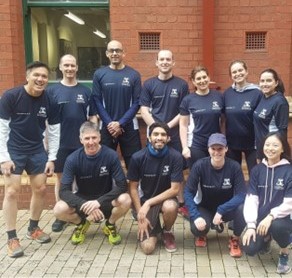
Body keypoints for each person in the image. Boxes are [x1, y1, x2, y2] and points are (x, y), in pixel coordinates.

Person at [0, 61, 60, 258]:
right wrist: (3, 158)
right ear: (27, 76)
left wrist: (51, 158)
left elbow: (53, 130)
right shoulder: (11, 96)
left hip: (36, 150)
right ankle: (11, 237)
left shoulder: (49, 100)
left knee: (41, 189)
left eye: (44, 76)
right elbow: (2, 128)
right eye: (37, 75)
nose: (41, 79)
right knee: (11, 192)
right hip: (14, 150)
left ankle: (33, 228)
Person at [53, 121, 131, 246]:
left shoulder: (111, 155)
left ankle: (110, 225)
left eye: (94, 137)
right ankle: (81, 224)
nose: (91, 142)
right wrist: (84, 204)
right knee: (58, 209)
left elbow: (122, 185)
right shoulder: (72, 159)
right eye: (87, 138)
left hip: (105, 201)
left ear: (99, 137)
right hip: (83, 202)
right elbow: (63, 191)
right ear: (81, 140)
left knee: (126, 199)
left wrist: (98, 202)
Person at [47, 54, 97, 232]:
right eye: (66, 65)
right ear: (60, 67)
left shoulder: (85, 91)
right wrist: (48, 145)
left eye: (72, 65)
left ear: (77, 68)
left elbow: (92, 117)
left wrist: (93, 136)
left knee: (81, 177)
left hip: (81, 144)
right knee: (61, 179)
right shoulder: (51, 91)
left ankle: (80, 210)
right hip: (60, 144)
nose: (69, 69)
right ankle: (60, 214)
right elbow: (47, 121)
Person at [139, 49, 189, 219]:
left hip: (174, 134)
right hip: (155, 136)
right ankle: (150, 200)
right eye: (162, 59)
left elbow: (183, 111)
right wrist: (157, 130)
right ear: (157, 62)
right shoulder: (149, 84)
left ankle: (181, 203)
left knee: (179, 168)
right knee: (152, 166)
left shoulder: (181, 85)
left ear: (173, 62)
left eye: (168, 59)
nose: (165, 62)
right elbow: (144, 110)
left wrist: (167, 127)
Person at [184, 133, 246, 258]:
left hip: (226, 209)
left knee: (243, 208)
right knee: (198, 228)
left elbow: (241, 194)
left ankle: (235, 239)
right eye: (213, 149)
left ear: (226, 149)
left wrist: (221, 210)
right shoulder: (199, 166)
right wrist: (196, 216)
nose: (217, 152)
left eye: (220, 149)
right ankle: (202, 234)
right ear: (208, 149)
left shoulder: (234, 167)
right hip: (205, 207)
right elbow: (188, 192)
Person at [127, 122, 184, 254]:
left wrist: (149, 203)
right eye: (156, 134)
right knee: (148, 249)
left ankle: (167, 231)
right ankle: (152, 226)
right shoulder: (137, 157)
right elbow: (133, 188)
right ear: (149, 137)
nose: (159, 137)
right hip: (144, 201)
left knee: (171, 206)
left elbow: (175, 189)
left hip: (165, 200)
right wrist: (140, 213)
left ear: (168, 138)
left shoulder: (175, 157)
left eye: (163, 135)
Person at [242, 132, 292, 275]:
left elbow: (290, 203)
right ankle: (266, 238)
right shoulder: (257, 170)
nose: (270, 148)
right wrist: (251, 225)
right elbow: (252, 198)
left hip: (283, 219)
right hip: (261, 219)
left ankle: (284, 252)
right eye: (267, 145)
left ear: (283, 149)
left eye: (275, 145)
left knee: (278, 226)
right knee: (249, 248)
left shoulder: (289, 171)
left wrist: (271, 216)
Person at [92, 40, 142, 168]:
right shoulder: (99, 74)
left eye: (118, 50)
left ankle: (133, 189)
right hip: (106, 127)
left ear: (123, 53)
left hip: (130, 127)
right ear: (107, 53)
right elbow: (97, 101)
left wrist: (120, 123)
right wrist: (110, 123)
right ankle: (108, 188)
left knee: (134, 166)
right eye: (112, 51)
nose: (115, 53)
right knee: (103, 165)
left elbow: (137, 102)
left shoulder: (134, 75)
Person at [180, 66, 224, 169]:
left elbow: (223, 121)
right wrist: (185, 147)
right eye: (198, 79)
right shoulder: (188, 100)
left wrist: (223, 139)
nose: (202, 81)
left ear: (209, 78)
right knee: (198, 176)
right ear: (194, 82)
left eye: (204, 77)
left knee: (215, 175)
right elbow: (183, 125)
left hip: (215, 144)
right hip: (196, 145)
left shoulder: (219, 96)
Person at [223, 60, 262, 175]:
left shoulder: (257, 93)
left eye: (240, 70)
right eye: (234, 72)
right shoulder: (227, 94)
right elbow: (223, 119)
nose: (238, 73)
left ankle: (253, 194)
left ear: (246, 72)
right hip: (232, 143)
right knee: (233, 174)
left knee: (255, 174)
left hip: (252, 143)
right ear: (231, 75)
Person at [253, 68, 289, 161]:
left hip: (271, 151)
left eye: (269, 81)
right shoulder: (263, 97)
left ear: (276, 83)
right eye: (262, 81)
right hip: (261, 147)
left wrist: (276, 154)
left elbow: (282, 131)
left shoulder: (280, 102)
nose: (265, 84)